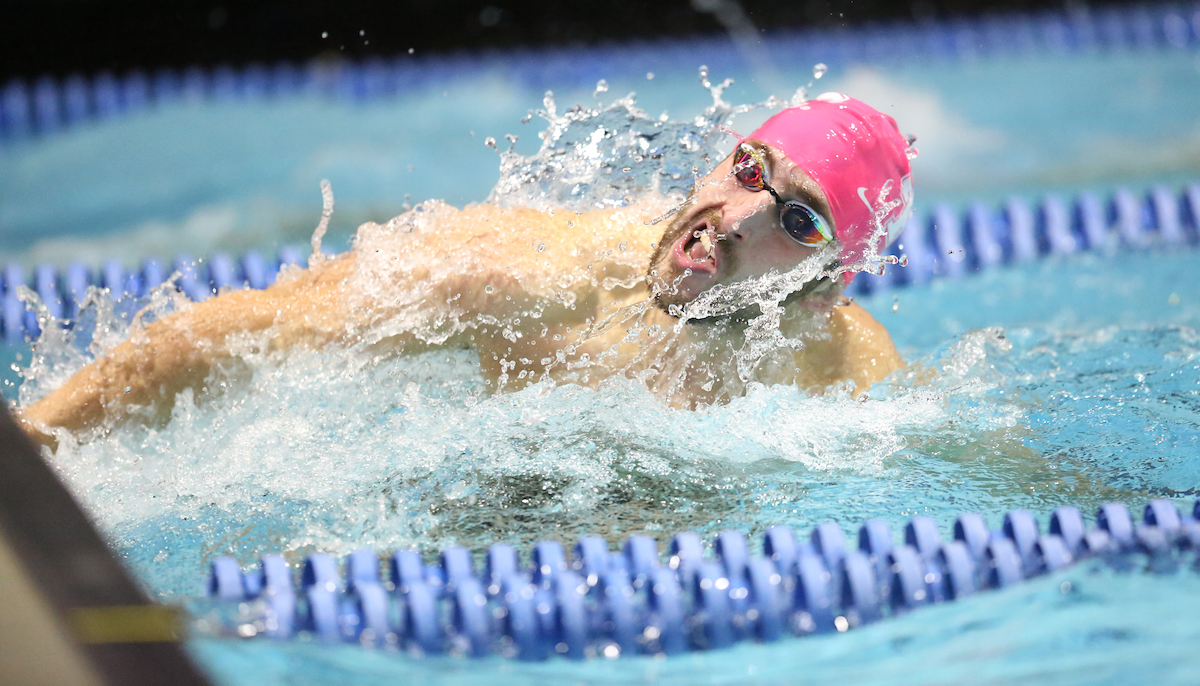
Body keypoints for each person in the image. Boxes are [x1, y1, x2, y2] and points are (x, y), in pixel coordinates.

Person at [19, 93, 914, 440]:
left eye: (798, 220)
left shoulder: (840, 354)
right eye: (748, 169)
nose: (739, 215)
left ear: (822, 287)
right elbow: (228, 336)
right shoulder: (523, 277)